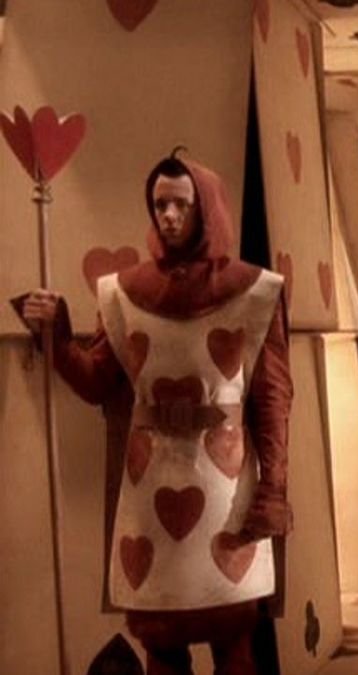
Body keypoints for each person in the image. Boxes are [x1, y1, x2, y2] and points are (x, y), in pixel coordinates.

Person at [18, 150, 292, 674]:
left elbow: (273, 396)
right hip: (151, 486)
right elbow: (98, 381)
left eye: (181, 204)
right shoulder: (123, 295)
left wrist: (275, 491)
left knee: (233, 640)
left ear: (205, 208)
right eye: (160, 204)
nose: (168, 215)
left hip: (225, 486)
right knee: (162, 642)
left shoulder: (255, 292)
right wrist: (57, 336)